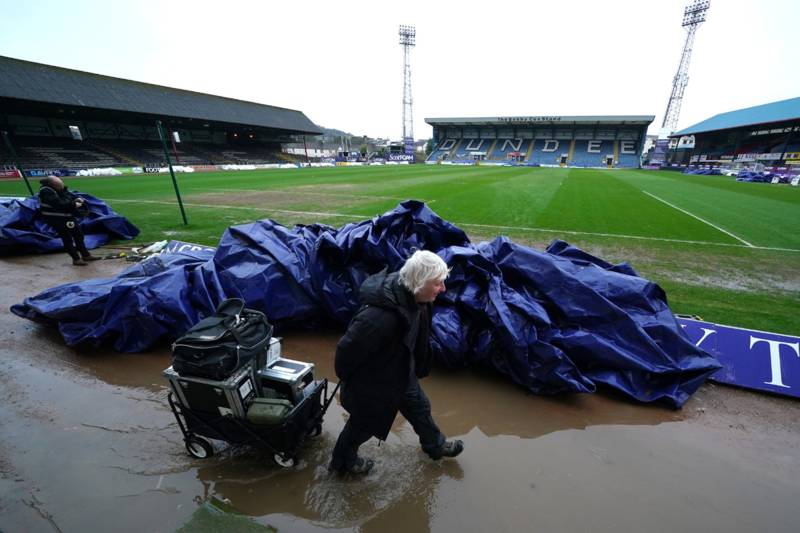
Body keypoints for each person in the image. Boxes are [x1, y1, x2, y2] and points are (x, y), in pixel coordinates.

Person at [330, 250, 464, 475]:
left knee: (420, 408)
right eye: (438, 283)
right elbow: (345, 353)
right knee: (362, 428)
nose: (443, 289)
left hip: (401, 373)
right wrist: (357, 383)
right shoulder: (378, 318)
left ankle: (435, 446)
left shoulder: (419, 297)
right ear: (419, 282)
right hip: (374, 385)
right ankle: (342, 465)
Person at [38, 176, 96, 266]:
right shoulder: (46, 192)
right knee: (67, 238)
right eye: (59, 184)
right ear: (52, 184)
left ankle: (85, 255)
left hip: (67, 217)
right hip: (56, 219)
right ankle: (76, 259)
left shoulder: (58, 189)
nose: (61, 186)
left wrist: (76, 199)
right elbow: (60, 205)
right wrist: (74, 204)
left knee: (78, 235)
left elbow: (68, 197)